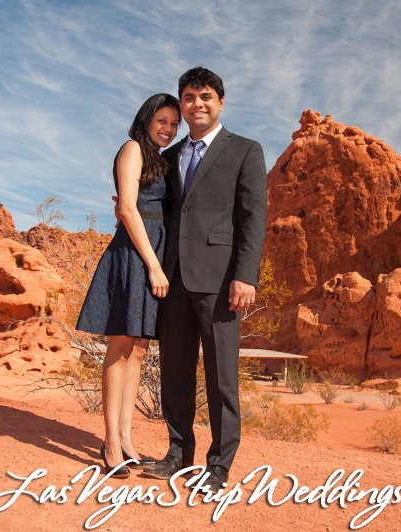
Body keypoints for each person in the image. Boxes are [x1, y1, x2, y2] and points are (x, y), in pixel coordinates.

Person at [142, 67, 267, 490]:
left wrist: (245, 276)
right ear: (182, 103)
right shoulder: (171, 155)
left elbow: (253, 217)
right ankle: (178, 453)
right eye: (189, 97)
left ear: (220, 102)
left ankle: (219, 465)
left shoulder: (245, 150)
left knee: (221, 378)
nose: (197, 104)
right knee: (175, 372)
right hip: (173, 279)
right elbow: (160, 207)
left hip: (221, 281)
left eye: (205, 96)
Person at [76, 93, 180, 478]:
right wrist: (153, 265)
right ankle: (110, 442)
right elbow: (128, 208)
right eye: (162, 121)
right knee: (120, 347)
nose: (168, 129)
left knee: (138, 349)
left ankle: (126, 437)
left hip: (154, 253)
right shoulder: (133, 149)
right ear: (147, 118)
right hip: (136, 255)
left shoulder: (160, 160)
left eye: (174, 124)